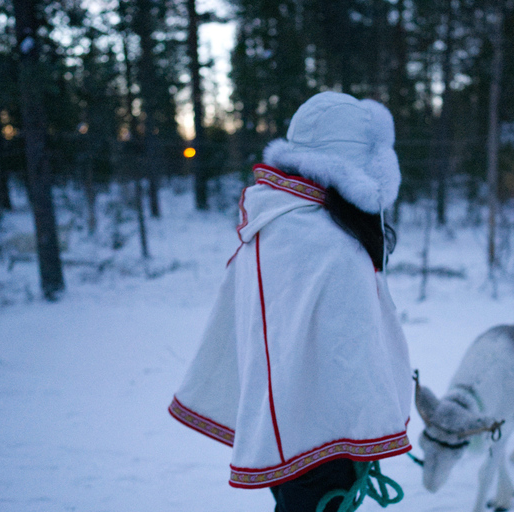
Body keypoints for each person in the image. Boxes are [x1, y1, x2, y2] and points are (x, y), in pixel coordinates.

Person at [168, 91, 412, 512]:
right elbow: (350, 353)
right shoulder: (327, 240)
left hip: (287, 423)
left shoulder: (273, 223)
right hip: (325, 440)